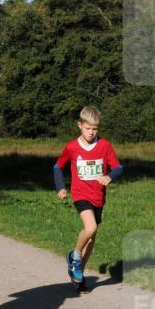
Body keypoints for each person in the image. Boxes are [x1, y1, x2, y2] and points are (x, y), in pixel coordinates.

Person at [53, 106, 123, 294]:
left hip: (98, 197)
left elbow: (118, 167)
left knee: (91, 238)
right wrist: (60, 186)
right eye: (88, 128)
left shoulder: (105, 146)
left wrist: (110, 176)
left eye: (95, 129)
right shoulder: (72, 147)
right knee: (90, 227)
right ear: (80, 125)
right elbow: (57, 167)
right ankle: (74, 256)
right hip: (81, 195)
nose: (91, 132)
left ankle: (79, 277)